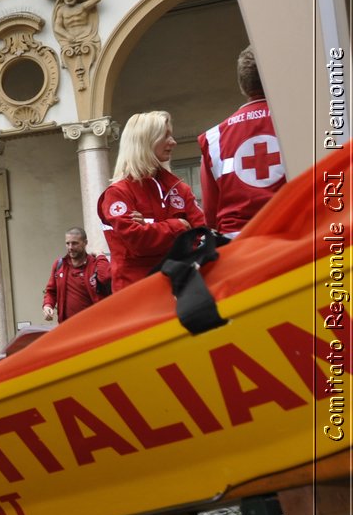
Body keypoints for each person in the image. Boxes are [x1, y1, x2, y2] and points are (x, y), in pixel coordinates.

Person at [97, 110, 207, 291]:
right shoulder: (118, 193)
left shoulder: (178, 188)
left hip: (179, 289)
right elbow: (139, 243)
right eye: (165, 136)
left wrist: (152, 228)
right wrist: (179, 225)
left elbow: (202, 232)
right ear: (145, 141)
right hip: (137, 295)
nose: (173, 142)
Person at [199, 45, 285, 237]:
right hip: (287, 236)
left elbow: (210, 212)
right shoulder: (296, 124)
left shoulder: (213, 137)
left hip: (237, 244)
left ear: (242, 86)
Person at [41, 227, 112, 324]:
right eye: (67, 243)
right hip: (68, 327)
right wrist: (48, 305)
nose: (70, 247)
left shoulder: (95, 263)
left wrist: (100, 255)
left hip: (95, 325)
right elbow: (51, 291)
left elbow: (106, 277)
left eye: (74, 243)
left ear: (85, 243)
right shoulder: (59, 265)